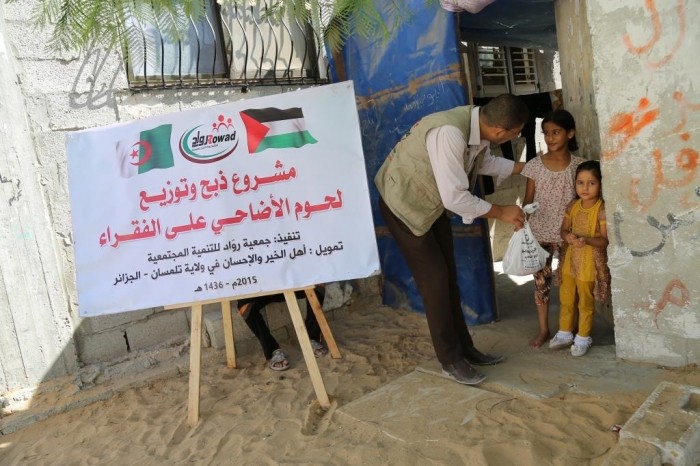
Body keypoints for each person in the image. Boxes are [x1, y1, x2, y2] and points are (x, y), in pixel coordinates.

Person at [374, 94, 529, 386]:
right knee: (435, 282)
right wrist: (501, 212)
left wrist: (526, 168)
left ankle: (465, 349)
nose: (515, 137)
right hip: (403, 205)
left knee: (448, 279)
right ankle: (450, 359)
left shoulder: (477, 125)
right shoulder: (450, 133)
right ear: (500, 131)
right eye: (515, 133)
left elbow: (484, 162)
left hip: (430, 204)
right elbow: (455, 198)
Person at [521, 109, 585, 348]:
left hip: (570, 234)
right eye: (546, 133)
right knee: (541, 284)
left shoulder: (579, 166)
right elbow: (528, 200)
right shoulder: (534, 165)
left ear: (570, 133)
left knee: (571, 282)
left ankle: (572, 327)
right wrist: (522, 224)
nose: (550, 138)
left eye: (556, 132)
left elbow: (584, 201)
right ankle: (544, 329)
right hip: (540, 232)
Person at [548, 160, 611, 357]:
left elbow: (604, 240)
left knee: (585, 301)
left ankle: (583, 337)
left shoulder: (601, 209)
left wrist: (586, 240)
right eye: (580, 183)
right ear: (574, 183)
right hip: (570, 261)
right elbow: (563, 230)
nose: (585, 188)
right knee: (566, 298)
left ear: (600, 184)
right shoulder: (573, 205)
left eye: (591, 183)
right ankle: (565, 332)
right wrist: (567, 236)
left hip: (588, 264)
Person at [237, 286, 328, 371]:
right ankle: (272, 350)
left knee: (317, 287)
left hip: (286, 284)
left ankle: (312, 337)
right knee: (245, 307)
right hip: (259, 290)